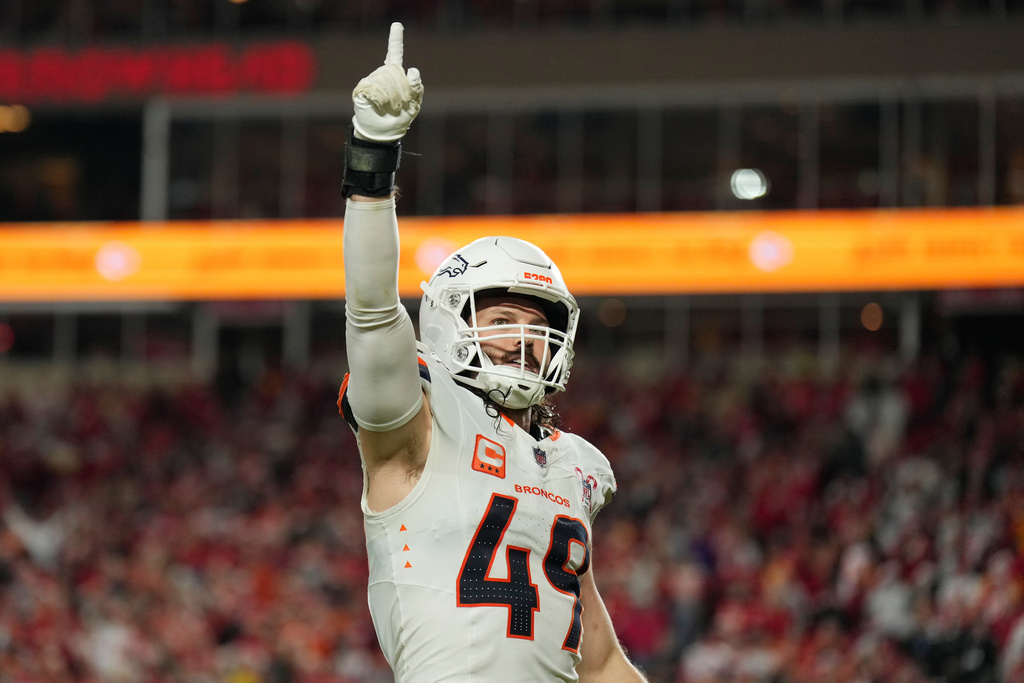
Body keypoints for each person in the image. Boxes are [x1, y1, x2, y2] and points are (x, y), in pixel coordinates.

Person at [337, 22, 647, 682]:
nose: (526, 339)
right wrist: (373, 157)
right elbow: (369, 312)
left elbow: (597, 659)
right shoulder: (423, 421)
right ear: (450, 325)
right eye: (503, 316)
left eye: (540, 324)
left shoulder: (574, 465)